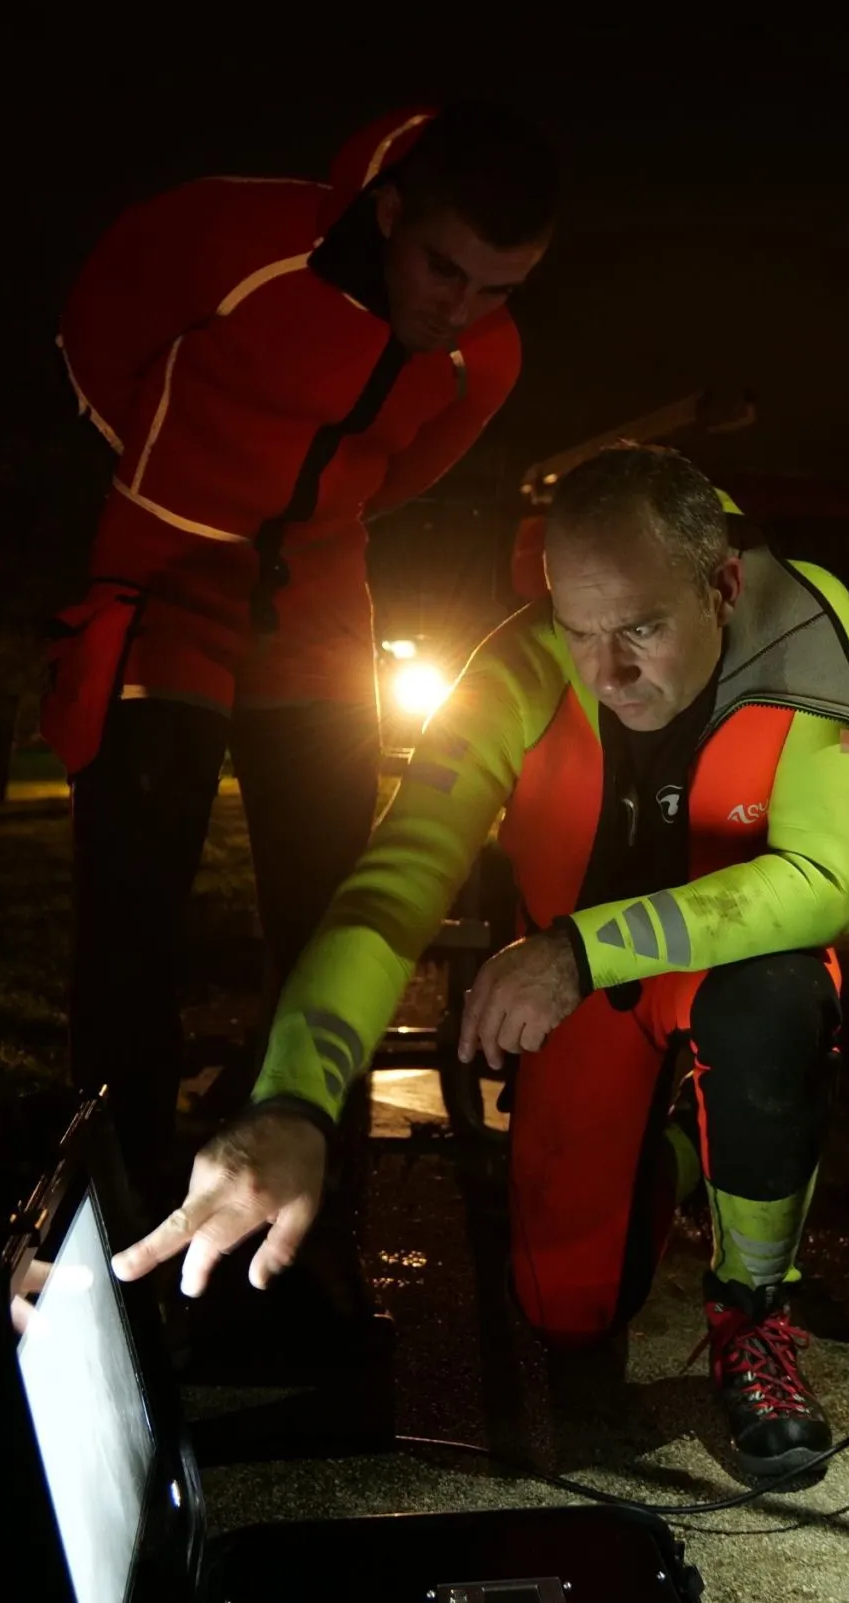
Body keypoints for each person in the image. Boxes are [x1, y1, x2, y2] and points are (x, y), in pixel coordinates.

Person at [109, 446, 849, 1482]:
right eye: (578, 628)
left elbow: (824, 880)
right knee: (566, 1315)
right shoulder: (515, 668)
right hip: (576, 987)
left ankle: (752, 1308)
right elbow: (393, 886)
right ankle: (682, 1152)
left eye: (640, 629)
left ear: (721, 585)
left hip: (715, 963)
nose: (606, 673)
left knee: (777, 1003)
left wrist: (579, 948)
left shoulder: (802, 614)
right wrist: (294, 1099)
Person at [42, 103, 554, 1201]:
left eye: (498, 289)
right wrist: (160, 465)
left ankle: (309, 1187)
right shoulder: (235, 238)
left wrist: (317, 523)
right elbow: (97, 325)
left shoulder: (487, 356)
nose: (459, 310)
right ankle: (113, 1189)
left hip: (316, 602)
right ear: (390, 213)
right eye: (444, 270)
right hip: (168, 573)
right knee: (134, 897)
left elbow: (407, 470)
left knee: (330, 907)